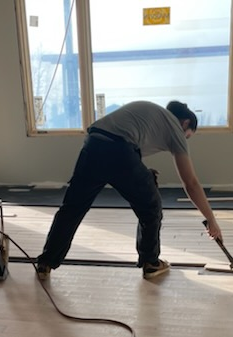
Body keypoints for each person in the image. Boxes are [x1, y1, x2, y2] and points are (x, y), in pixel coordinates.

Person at [35, 100, 223, 280]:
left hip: (93, 144)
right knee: (151, 206)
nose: (184, 140)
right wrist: (212, 221)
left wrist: (145, 175)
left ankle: (46, 262)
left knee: (72, 208)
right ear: (185, 123)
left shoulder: (151, 114)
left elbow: (127, 151)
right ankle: (150, 262)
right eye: (188, 135)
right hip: (118, 149)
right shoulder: (175, 127)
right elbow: (190, 183)